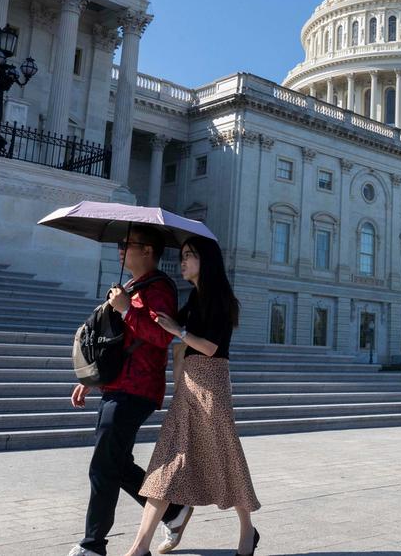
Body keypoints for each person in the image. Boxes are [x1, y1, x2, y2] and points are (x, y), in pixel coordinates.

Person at [122, 236, 261, 556]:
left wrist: (178, 331)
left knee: (225, 459)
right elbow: (163, 329)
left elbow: (211, 347)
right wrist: (129, 306)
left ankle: (246, 531)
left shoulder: (221, 301)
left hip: (212, 387)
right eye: (182, 256)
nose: (183, 261)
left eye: (189, 256)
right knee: (166, 464)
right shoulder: (193, 300)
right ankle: (139, 547)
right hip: (186, 389)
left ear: (206, 261)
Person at [68, 226, 192, 556]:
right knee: (115, 463)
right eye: (121, 244)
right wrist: (90, 378)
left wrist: (126, 309)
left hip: (137, 389)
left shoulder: (160, 288)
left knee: (102, 466)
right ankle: (172, 511)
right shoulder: (131, 287)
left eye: (128, 244)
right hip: (117, 385)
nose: (121, 249)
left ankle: (93, 546)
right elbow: (116, 343)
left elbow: (163, 336)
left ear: (148, 251)